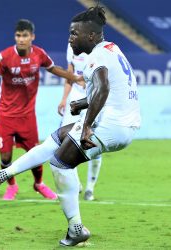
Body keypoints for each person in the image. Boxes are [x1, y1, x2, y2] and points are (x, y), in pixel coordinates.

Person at [0, 6, 140, 246]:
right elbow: (112, 89)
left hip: (110, 125)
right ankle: (5, 173)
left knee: (59, 163)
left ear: (90, 36)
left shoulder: (97, 57)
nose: (69, 38)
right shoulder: (112, 50)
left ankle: (76, 228)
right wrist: (83, 103)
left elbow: (103, 88)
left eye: (73, 33)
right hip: (121, 122)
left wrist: (87, 124)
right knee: (57, 138)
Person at [0, 19, 82, 200]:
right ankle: (11, 187)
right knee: (5, 157)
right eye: (18, 35)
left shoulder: (39, 54)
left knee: (36, 153)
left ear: (32, 37)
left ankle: (39, 184)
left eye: (25, 36)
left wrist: (75, 78)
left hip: (27, 116)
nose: (21, 39)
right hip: (5, 115)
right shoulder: (4, 56)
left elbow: (54, 69)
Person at [58, 43, 102, 201]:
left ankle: (90, 188)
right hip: (75, 97)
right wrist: (64, 99)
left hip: (94, 98)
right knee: (67, 140)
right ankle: (76, 184)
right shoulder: (71, 47)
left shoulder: (99, 48)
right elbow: (70, 76)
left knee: (95, 142)